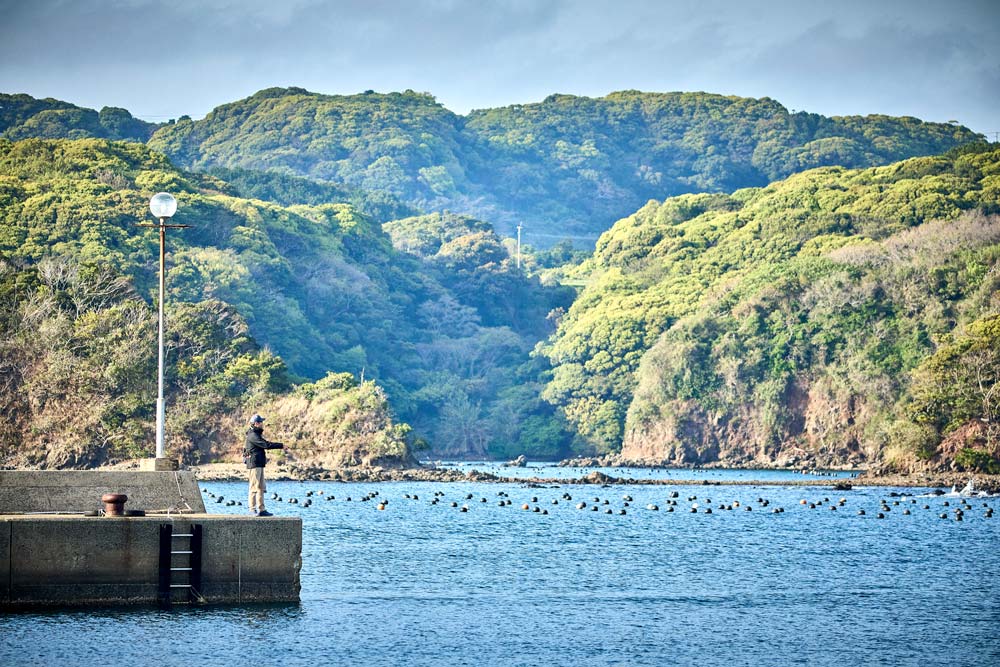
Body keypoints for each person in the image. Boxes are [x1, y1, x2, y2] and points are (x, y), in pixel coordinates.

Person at [244, 414, 284, 516]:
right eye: (261, 422)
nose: (263, 424)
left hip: (259, 464)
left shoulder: (255, 434)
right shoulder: (253, 435)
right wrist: (281, 445)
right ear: (257, 423)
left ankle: (262, 509)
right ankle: (252, 509)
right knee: (254, 487)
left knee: (261, 487)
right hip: (254, 464)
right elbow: (266, 445)